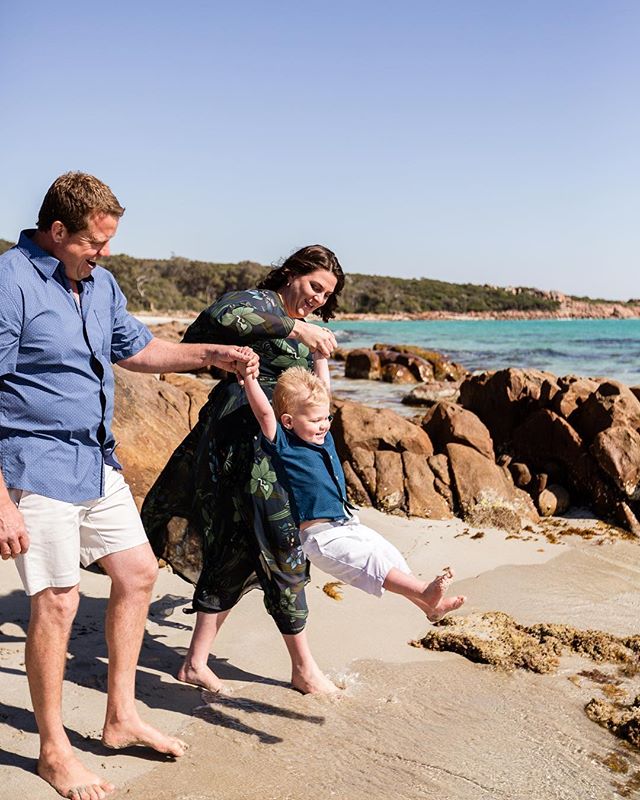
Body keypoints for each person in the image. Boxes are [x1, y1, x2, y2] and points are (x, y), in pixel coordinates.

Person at [0, 172, 258, 800]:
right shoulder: (10, 284)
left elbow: (137, 349)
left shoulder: (101, 284)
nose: (105, 252)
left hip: (96, 461)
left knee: (139, 573)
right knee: (58, 603)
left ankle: (120, 718)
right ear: (56, 231)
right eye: (95, 241)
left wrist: (212, 355)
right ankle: (53, 752)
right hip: (33, 465)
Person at [142, 245, 344, 695]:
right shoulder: (259, 303)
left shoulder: (306, 327)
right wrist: (298, 329)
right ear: (290, 273)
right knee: (283, 543)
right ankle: (304, 668)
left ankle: (195, 662)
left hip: (275, 451)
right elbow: (222, 313)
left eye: (327, 295)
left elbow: (313, 394)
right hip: (239, 441)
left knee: (236, 546)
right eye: (314, 286)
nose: (318, 299)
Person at [238, 355, 467, 620]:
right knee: (372, 562)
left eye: (326, 418)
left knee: (387, 555)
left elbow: (324, 390)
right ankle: (425, 591)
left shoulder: (322, 437)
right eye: (315, 421)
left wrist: (320, 356)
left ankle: (430, 607)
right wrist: (249, 379)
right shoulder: (283, 445)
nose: (323, 425)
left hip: (347, 524)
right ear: (288, 422)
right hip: (322, 538)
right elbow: (265, 413)